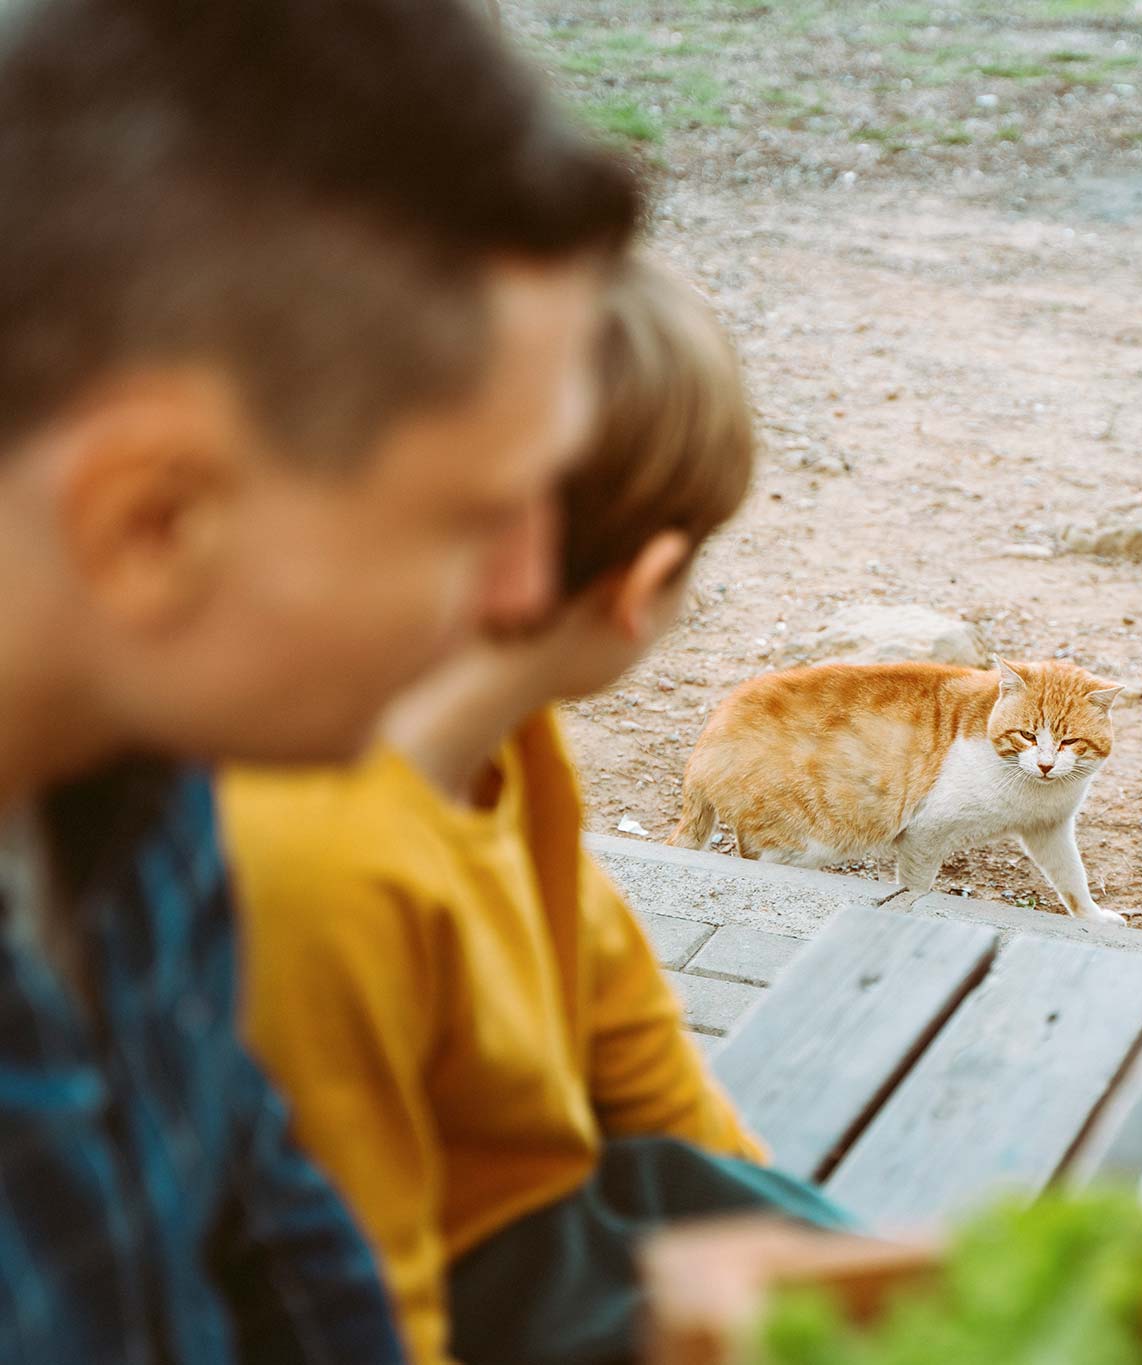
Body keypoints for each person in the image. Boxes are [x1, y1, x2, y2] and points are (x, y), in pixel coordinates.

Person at [0, 0, 642, 1359]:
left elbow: (262, 1212)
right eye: (476, 517)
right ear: (154, 522)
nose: (531, 592)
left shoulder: (150, 768)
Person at [222, 258, 848, 1365]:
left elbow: (621, 1020)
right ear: (642, 581)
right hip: (464, 1291)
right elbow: (353, 1291)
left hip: (567, 1210)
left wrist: (778, 1248)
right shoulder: (317, 862)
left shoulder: (503, 726)